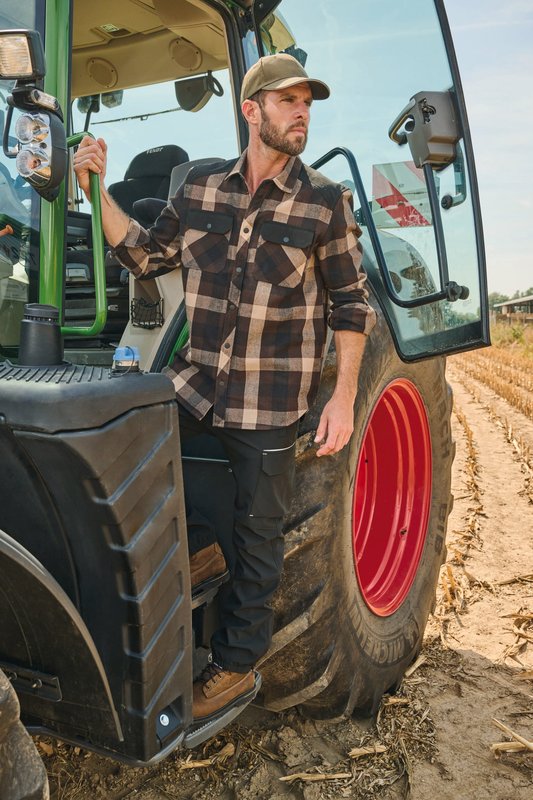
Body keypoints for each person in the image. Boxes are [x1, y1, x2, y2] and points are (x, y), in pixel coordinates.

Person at [73, 53, 376, 731]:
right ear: (251, 109)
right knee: (131, 461)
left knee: (261, 535)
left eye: (307, 103)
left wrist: (344, 398)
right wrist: (94, 188)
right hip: (196, 383)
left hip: (270, 401)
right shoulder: (201, 189)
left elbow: (352, 305)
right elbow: (145, 253)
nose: (301, 113)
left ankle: (236, 662)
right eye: (288, 100)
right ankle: (197, 551)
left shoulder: (324, 201)